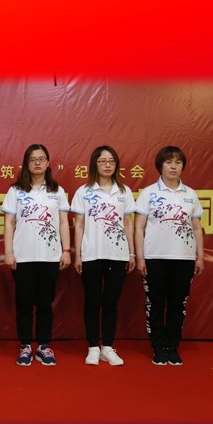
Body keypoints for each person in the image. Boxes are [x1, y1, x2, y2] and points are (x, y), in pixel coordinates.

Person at [135, 146, 205, 366]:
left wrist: (199, 256)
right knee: (155, 304)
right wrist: (140, 257)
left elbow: (196, 227)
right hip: (154, 257)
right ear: (160, 166)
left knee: (177, 305)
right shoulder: (148, 193)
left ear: (183, 166)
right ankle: (158, 346)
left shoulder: (190, 194)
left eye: (178, 162)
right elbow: (139, 227)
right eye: (168, 162)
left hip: (184, 258)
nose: (173, 167)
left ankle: (172, 346)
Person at [2, 144, 70, 367]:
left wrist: (66, 251)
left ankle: (43, 346)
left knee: (45, 304)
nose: (37, 163)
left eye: (41, 159)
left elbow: (63, 223)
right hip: (23, 256)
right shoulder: (16, 190)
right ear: (26, 163)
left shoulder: (57, 191)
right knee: (23, 304)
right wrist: (8, 252)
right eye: (33, 159)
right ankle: (24, 345)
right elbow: (9, 223)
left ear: (48, 163)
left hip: (50, 256)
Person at [71, 145, 135, 366]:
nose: (107, 165)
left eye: (111, 161)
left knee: (111, 302)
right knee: (92, 301)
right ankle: (92, 347)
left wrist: (131, 253)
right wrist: (78, 254)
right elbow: (79, 225)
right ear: (94, 164)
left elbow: (128, 223)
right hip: (91, 253)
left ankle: (107, 347)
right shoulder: (84, 191)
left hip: (118, 254)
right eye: (102, 161)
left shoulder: (124, 191)